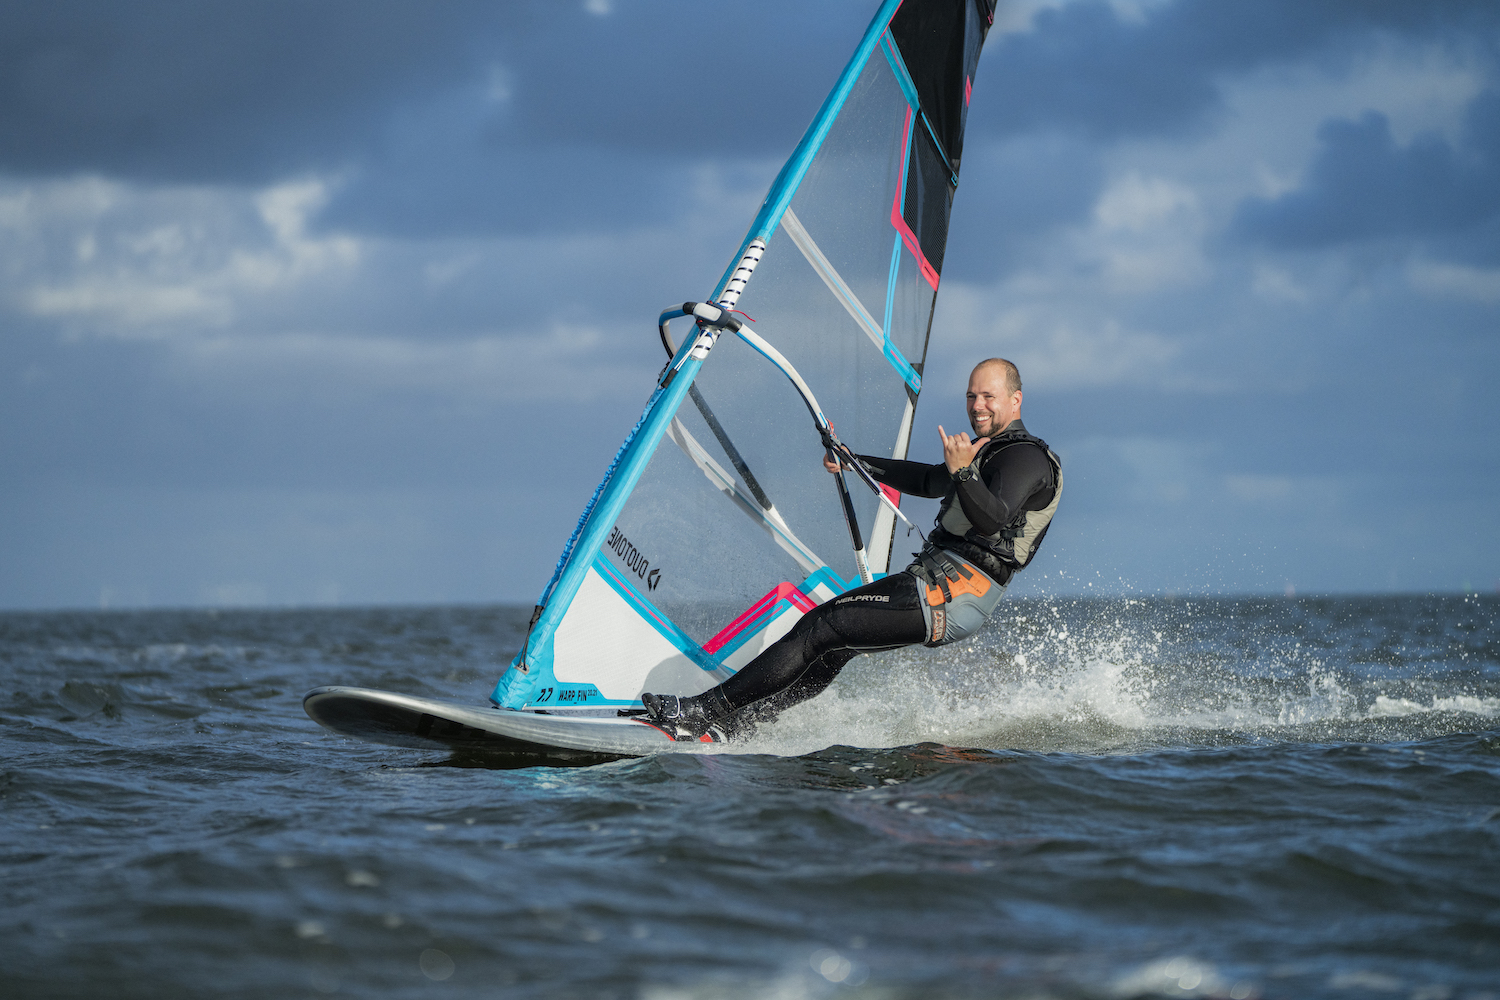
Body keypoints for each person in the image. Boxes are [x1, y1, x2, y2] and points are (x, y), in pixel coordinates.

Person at [642, 357, 1062, 741]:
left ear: (1015, 400)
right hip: (940, 586)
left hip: (952, 593)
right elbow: (929, 481)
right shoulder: (985, 451)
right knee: (833, 650)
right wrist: (853, 460)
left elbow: (993, 519)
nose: (977, 406)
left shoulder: (1026, 458)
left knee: (820, 626)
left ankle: (702, 711)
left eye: (988, 396)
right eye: (971, 396)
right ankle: (738, 723)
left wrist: (964, 472)